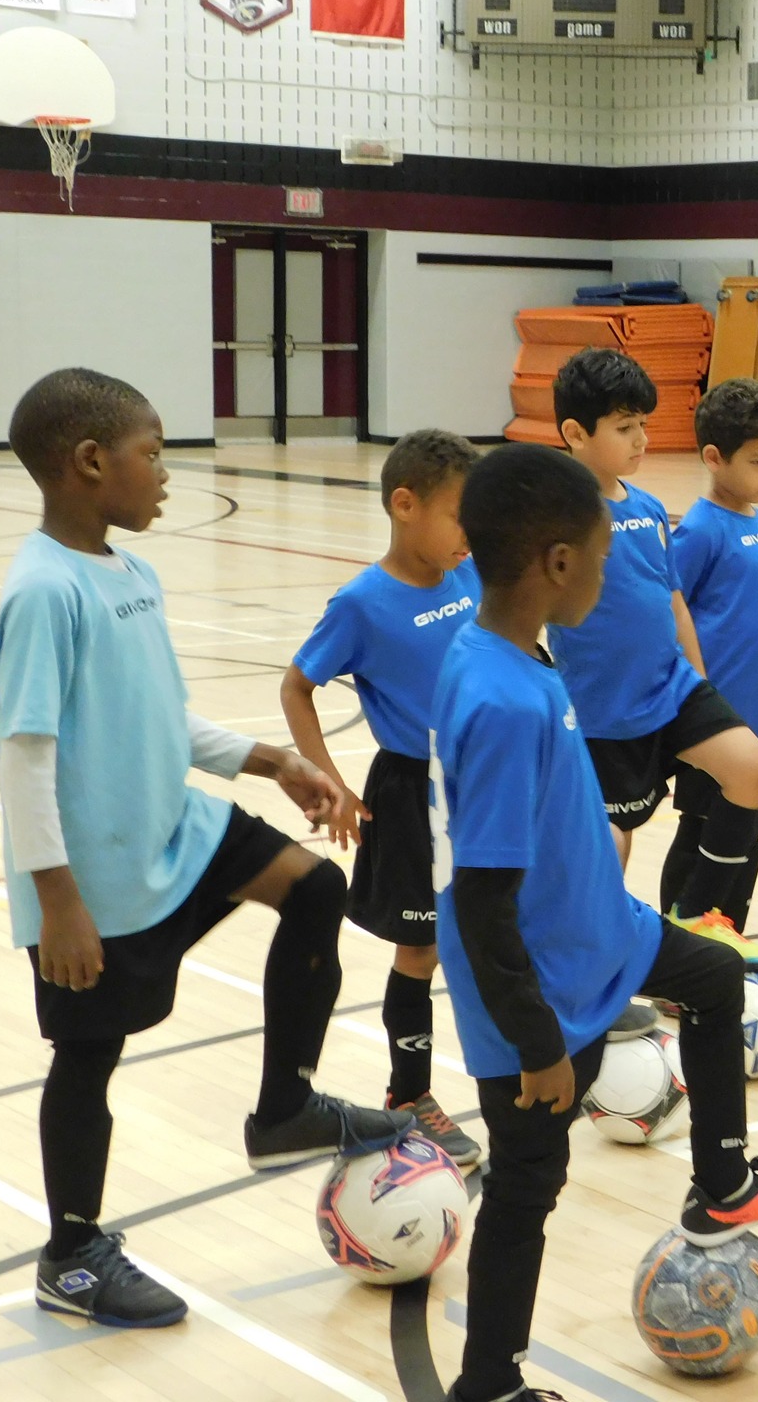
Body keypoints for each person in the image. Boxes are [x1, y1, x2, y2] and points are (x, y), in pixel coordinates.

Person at [0, 369, 412, 1330]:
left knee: (314, 889)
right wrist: (58, 900)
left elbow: (162, 717)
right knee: (88, 1057)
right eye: (152, 452)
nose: (167, 472)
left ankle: (285, 1108)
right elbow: (26, 760)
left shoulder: (130, 572)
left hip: (176, 829)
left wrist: (268, 761)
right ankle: (73, 1254)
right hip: (90, 875)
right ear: (92, 463)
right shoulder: (42, 592)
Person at [433, 443, 758, 1402]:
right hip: (537, 982)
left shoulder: (514, 655)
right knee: (528, 1192)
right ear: (558, 563)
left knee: (711, 973)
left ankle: (722, 1178)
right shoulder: (497, 697)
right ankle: (488, 1384)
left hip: (601, 927)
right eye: (604, 554)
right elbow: (482, 899)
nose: (614, 571)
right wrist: (536, 1044)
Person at [280, 429, 484, 1166]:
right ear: (405, 505)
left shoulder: (470, 575)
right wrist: (325, 777)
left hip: (481, 780)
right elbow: (297, 685)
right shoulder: (362, 603)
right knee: (420, 948)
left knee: (501, 927)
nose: (472, 531)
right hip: (410, 791)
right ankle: (412, 1093)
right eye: (461, 514)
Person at [547, 348, 758, 968]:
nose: (642, 439)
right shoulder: (553, 519)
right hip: (604, 714)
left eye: (643, 424)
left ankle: (695, 916)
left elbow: (675, 605)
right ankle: (598, 964)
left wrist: (701, 686)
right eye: (625, 428)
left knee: (751, 769)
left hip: (674, 690)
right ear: (575, 434)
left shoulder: (647, 510)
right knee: (610, 848)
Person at [664, 381, 758, 933]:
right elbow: (672, 609)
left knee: (747, 831)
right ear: (714, 458)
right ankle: (680, 937)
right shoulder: (699, 530)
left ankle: (727, 933)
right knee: (700, 827)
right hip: (719, 721)